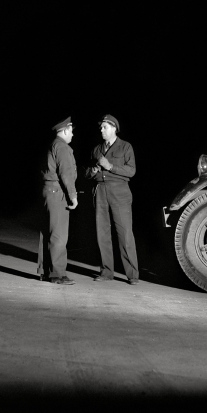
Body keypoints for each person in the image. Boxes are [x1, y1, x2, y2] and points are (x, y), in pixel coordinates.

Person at [86, 114, 139, 285]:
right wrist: (92, 172)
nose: (101, 130)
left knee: (124, 233)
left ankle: (132, 275)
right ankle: (106, 271)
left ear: (114, 128)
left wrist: (110, 166)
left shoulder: (125, 147)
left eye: (105, 127)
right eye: (101, 127)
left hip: (119, 191)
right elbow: (86, 172)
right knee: (102, 233)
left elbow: (131, 171)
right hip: (100, 190)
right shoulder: (96, 149)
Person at [37, 117, 78, 285]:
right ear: (66, 130)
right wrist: (73, 196)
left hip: (48, 190)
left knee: (47, 233)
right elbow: (66, 173)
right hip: (57, 191)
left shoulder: (53, 144)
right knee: (59, 234)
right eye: (72, 131)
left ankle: (45, 271)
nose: (73, 135)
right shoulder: (62, 147)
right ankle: (57, 274)